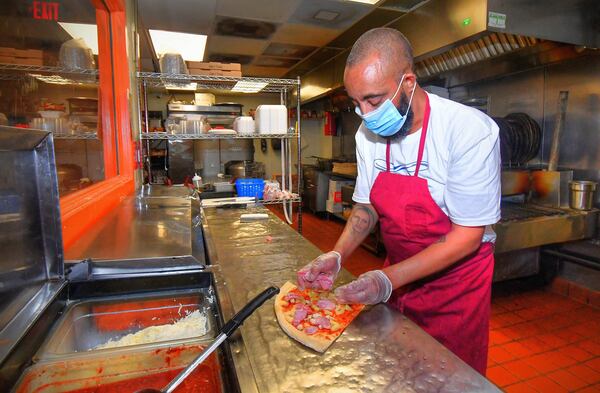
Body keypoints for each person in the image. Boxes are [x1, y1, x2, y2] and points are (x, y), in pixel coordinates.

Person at [297, 27, 501, 375]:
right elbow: (366, 207)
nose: (364, 113)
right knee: (398, 370)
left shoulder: (468, 131)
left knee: (449, 376)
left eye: (373, 101)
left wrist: (386, 279)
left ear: (408, 82)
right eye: (357, 103)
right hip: (399, 270)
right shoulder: (368, 134)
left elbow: (467, 236)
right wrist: (338, 254)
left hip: (455, 287)